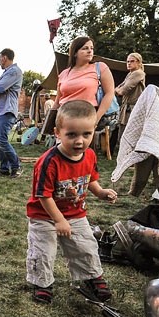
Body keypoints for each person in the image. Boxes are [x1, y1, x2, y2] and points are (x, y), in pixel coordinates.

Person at [25, 101, 117, 305]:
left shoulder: (90, 155)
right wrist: (58, 220)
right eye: (72, 135)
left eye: (86, 134)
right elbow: (43, 196)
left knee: (85, 246)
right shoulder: (49, 161)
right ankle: (42, 284)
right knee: (44, 251)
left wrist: (100, 192)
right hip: (45, 216)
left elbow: (90, 178)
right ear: (58, 133)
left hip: (75, 214)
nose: (80, 141)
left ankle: (91, 276)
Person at [55, 36, 115, 125]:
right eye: (85, 48)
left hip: (88, 117)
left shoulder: (100, 67)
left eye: (91, 48)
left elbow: (110, 93)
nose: (90, 51)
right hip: (64, 118)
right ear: (75, 53)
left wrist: (96, 119)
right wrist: (50, 121)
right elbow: (57, 101)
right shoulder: (64, 74)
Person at [0, 48, 23, 177]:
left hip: (7, 110)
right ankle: (4, 169)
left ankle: (16, 166)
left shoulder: (14, 71)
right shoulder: (6, 74)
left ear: (5, 58)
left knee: (1, 140)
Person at [114, 52, 146, 143]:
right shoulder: (130, 74)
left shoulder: (138, 73)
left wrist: (117, 90)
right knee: (123, 135)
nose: (129, 63)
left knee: (130, 137)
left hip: (133, 109)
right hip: (126, 108)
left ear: (139, 63)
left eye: (132, 61)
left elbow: (122, 90)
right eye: (127, 61)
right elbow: (119, 88)